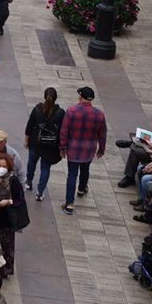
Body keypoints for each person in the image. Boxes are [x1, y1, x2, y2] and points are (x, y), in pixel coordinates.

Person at [59, 86, 106, 215]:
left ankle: (69, 204)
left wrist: (62, 147)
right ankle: (81, 188)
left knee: (72, 174)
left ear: (80, 97)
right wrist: (101, 149)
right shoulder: (99, 114)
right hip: (89, 149)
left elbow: (64, 131)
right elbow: (102, 134)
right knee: (85, 169)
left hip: (73, 149)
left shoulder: (71, 111)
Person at [23, 86, 63, 200]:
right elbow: (62, 131)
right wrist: (61, 147)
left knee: (31, 162)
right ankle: (40, 192)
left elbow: (30, 125)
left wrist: (26, 140)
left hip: (36, 142)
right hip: (50, 145)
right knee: (45, 168)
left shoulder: (37, 109)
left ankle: (28, 182)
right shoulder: (60, 113)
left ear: (44, 96)